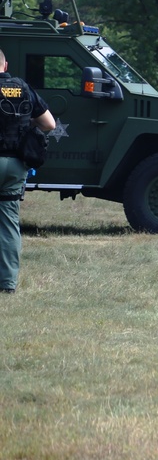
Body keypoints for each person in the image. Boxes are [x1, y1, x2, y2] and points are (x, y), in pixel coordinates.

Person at [0, 49, 56, 294]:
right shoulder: (22, 88)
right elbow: (49, 124)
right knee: (9, 223)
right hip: (14, 165)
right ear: (5, 65)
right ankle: (8, 284)